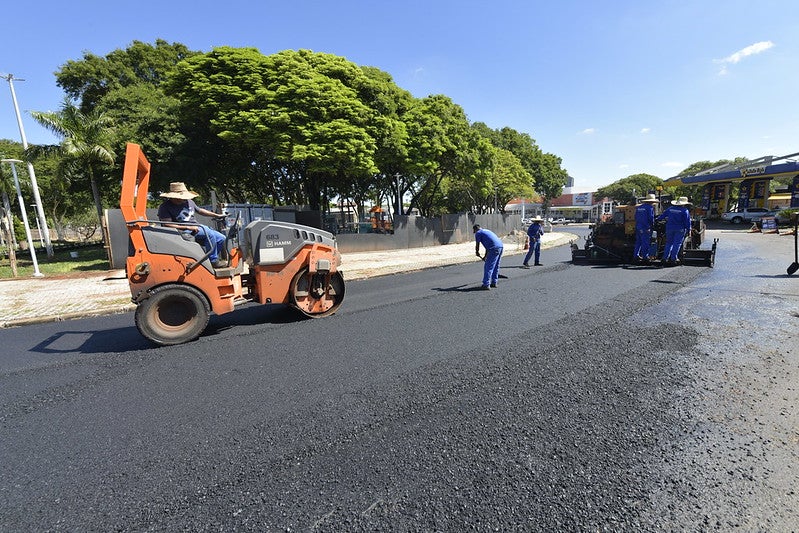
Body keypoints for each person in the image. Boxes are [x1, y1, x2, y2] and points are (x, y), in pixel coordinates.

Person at [157, 182, 229, 268]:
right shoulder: (165, 207)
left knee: (221, 238)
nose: (182, 200)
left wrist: (216, 215)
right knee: (209, 234)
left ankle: (207, 260)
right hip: (181, 231)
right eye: (179, 198)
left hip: (196, 227)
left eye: (183, 197)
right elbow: (166, 225)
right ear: (172, 197)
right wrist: (187, 227)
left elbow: (200, 210)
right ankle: (213, 261)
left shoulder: (189, 202)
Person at [656, 196, 692, 266]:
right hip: (680, 229)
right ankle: (673, 259)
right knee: (677, 243)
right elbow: (687, 222)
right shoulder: (685, 211)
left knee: (668, 243)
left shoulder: (670, 209)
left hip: (669, 228)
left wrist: (657, 219)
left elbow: (662, 216)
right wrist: (689, 229)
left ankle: (664, 258)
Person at [473, 224, 504, 289]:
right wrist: (485, 256)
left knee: (488, 267)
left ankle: (486, 284)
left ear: (475, 229)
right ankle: (494, 282)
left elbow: (477, 244)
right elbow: (487, 246)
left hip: (494, 248)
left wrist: (477, 252)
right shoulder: (486, 231)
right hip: (500, 246)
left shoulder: (478, 233)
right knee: (496, 266)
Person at [633, 194, 659, 262]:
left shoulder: (639, 207)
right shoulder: (649, 208)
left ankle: (636, 255)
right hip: (646, 227)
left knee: (638, 242)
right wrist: (652, 225)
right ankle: (645, 256)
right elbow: (651, 218)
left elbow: (635, 217)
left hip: (638, 226)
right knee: (645, 242)